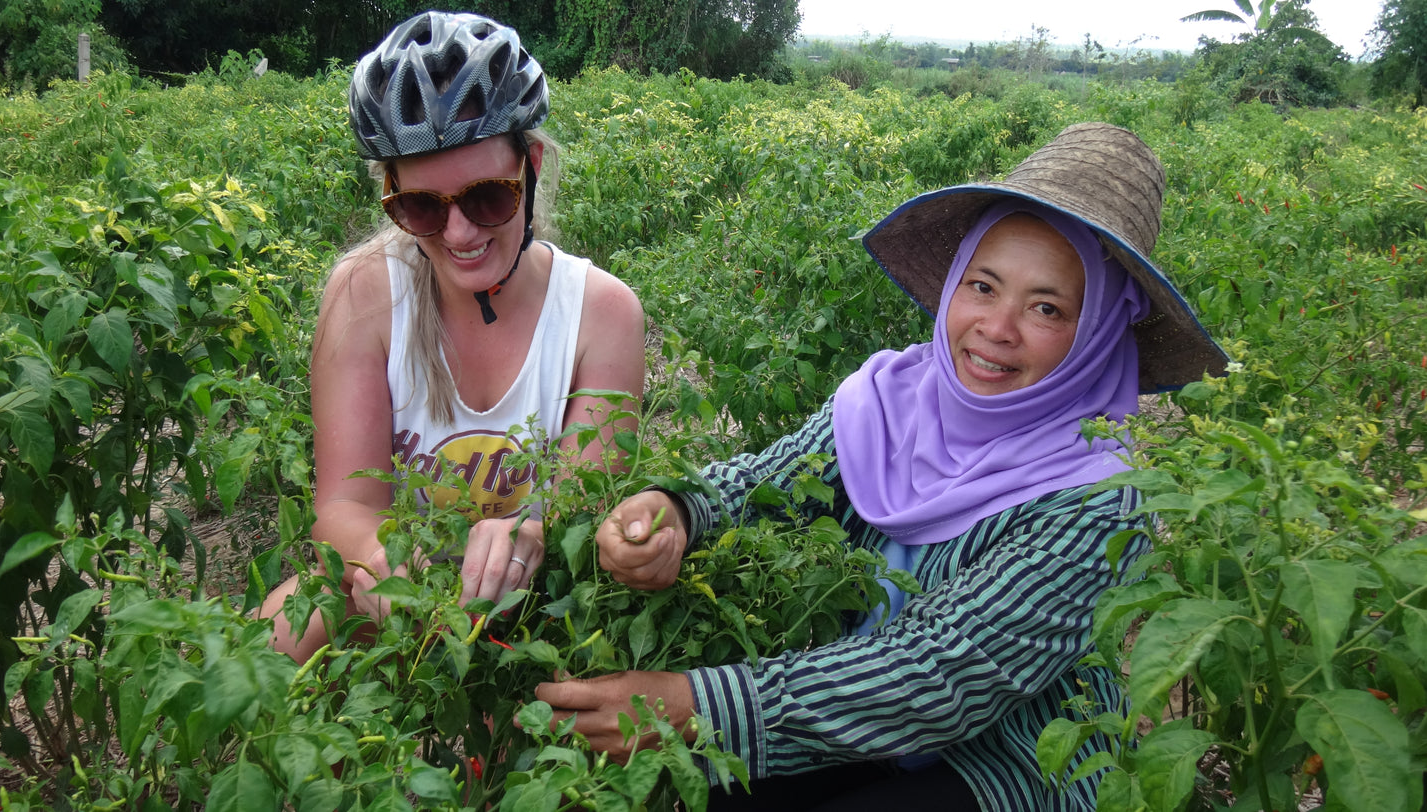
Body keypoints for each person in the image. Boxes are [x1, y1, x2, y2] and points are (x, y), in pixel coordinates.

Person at [535, 122, 1228, 810]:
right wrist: (679, 511)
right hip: (842, 708)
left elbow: (942, 672)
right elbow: (765, 484)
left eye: (1046, 307)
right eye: (982, 287)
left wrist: (701, 704)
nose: (997, 326)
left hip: (1003, 757)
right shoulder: (894, 395)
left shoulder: (1098, 500)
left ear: (1097, 332)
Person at [261, 10, 646, 662]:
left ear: (532, 165)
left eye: (487, 198)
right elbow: (345, 504)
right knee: (266, 644)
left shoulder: (603, 313)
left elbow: (584, 508)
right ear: (390, 194)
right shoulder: (362, 294)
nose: (461, 233)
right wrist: (384, 561)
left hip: (541, 598)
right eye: (422, 207)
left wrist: (529, 530)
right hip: (401, 592)